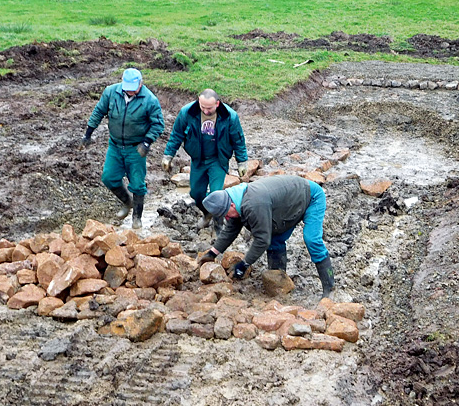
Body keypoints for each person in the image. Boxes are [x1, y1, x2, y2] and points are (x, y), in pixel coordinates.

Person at [198, 175, 335, 297]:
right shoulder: (234, 200)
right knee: (275, 238)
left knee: (311, 239)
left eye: (226, 214)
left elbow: (262, 240)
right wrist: (212, 253)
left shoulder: (253, 204)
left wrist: (244, 264)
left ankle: (329, 288)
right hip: (288, 202)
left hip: (311, 196)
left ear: (232, 205)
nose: (227, 217)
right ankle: (278, 282)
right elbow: (230, 230)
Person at [79, 68, 164, 229]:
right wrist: (88, 133)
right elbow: (99, 111)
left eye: (134, 89)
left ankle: (137, 218)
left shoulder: (149, 100)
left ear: (141, 84)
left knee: (138, 184)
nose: (131, 92)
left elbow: (158, 124)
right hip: (115, 145)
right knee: (109, 177)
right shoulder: (111, 92)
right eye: (128, 88)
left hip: (135, 148)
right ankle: (127, 202)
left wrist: (147, 142)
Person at [161, 89, 249, 228]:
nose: (206, 111)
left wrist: (242, 162)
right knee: (196, 193)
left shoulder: (230, 117)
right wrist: (168, 155)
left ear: (217, 104)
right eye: (203, 107)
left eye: (209, 108)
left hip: (218, 160)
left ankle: (219, 227)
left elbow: (238, 140)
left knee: (216, 195)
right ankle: (207, 213)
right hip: (198, 159)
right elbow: (176, 135)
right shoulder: (187, 113)